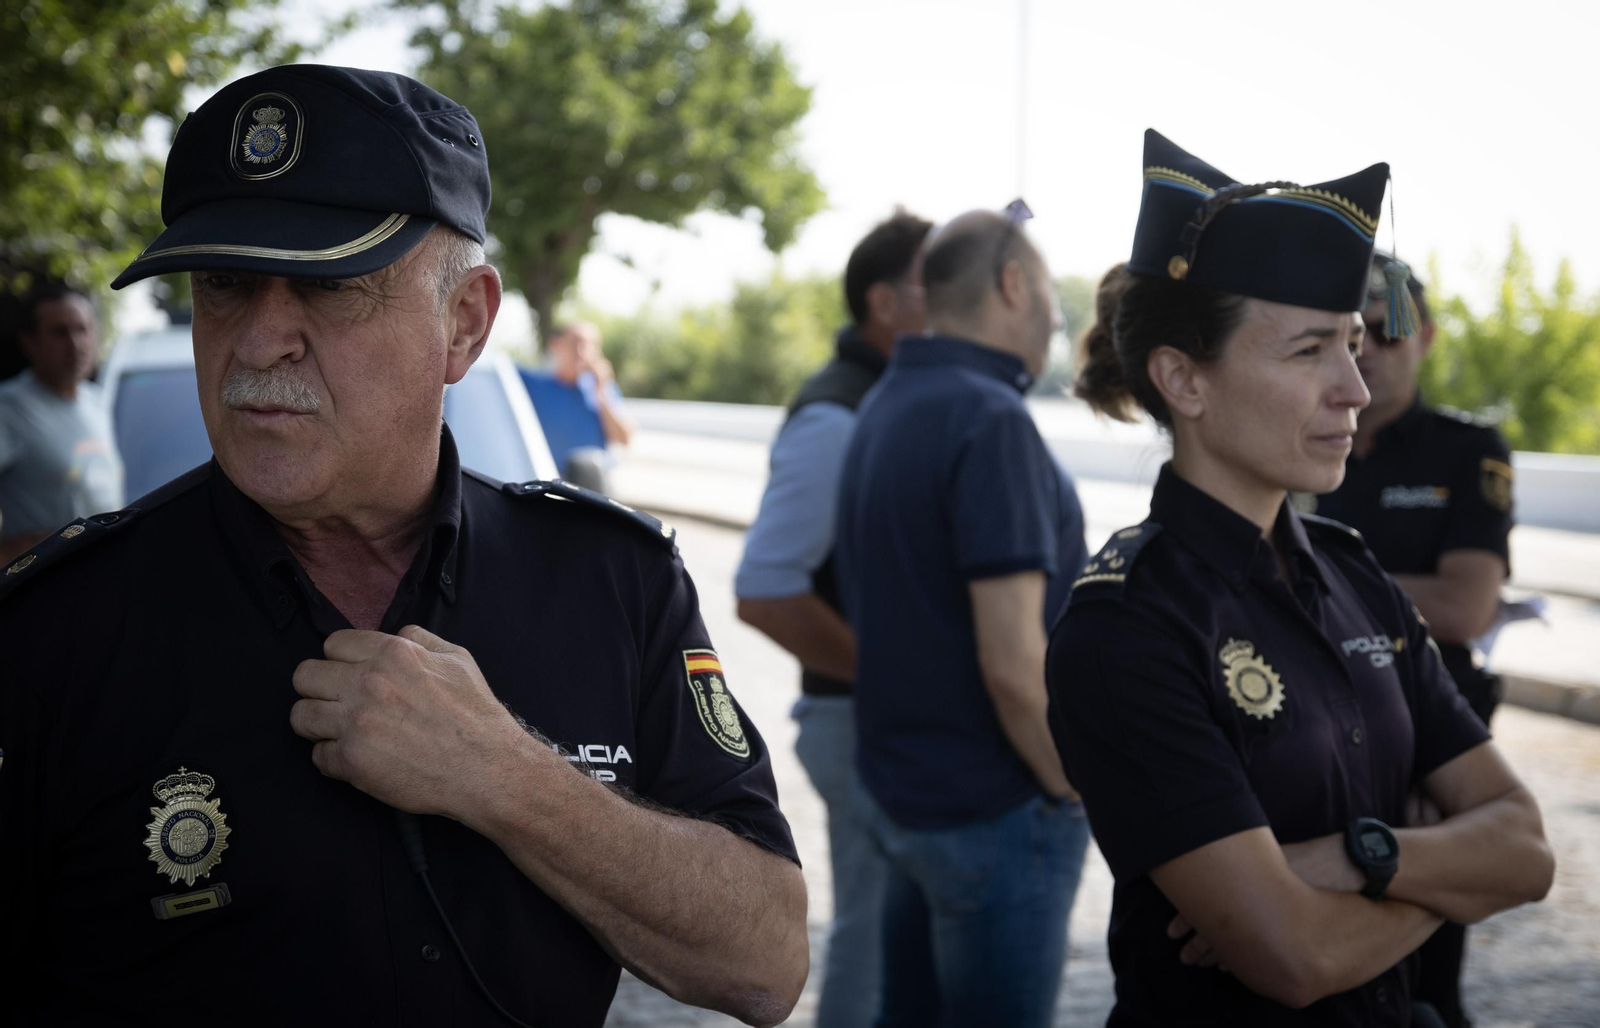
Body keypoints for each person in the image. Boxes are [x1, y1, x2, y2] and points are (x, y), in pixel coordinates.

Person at [0, 65, 806, 1028]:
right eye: (223, 284)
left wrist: (507, 778)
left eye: (329, 286)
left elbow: (763, 963)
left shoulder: (609, 581)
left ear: (463, 323)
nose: (259, 342)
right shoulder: (61, 626)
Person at [1048, 129, 1553, 1026]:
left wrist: (1356, 857)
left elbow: (1525, 849)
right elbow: (1294, 957)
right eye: (1309, 350)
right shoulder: (1131, 624)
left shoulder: (1353, 574)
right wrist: (1444, 868)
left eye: (1355, 345)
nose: (1355, 387)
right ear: (1184, 381)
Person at [834, 202, 1090, 1028]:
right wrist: (1076, 787)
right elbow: (1013, 665)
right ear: (1014, 285)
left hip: (909, 798)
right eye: (1051, 294)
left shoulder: (885, 402)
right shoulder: (992, 419)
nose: (1058, 316)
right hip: (998, 812)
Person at [734, 209, 932, 1028]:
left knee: (895, 934)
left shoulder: (882, 400)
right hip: (864, 723)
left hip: (878, 720)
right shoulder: (837, 417)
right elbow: (766, 589)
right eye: (936, 278)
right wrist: (902, 687)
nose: (958, 293)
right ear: (885, 303)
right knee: (872, 938)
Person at [1315, 256, 1514, 1028]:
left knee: (1426, 984)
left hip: (1429, 744)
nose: (1369, 352)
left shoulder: (1465, 450)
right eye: (1350, 336)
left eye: (1388, 334)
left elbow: (1466, 607)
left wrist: (1314, 588)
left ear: (1424, 337)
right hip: (1313, 732)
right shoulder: (1306, 445)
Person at [0, 283, 124, 562]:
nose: (75, 344)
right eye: (59, 332)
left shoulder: (96, 401)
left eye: (82, 329)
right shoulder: (9, 409)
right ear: (29, 342)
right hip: (43, 591)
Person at [519, 320, 633, 491]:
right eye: (575, 343)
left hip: (594, 487)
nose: (582, 352)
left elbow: (624, 438)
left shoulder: (602, 389)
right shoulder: (533, 384)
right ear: (555, 345)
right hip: (548, 484)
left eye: (590, 346)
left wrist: (602, 393)